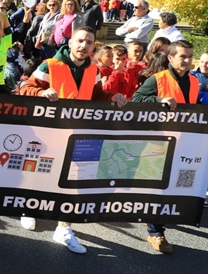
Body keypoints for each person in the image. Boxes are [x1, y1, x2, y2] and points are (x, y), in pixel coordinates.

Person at [20, 27, 127, 254]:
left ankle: (63, 228)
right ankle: (30, 209)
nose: (84, 46)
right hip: (47, 133)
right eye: (80, 41)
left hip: (78, 134)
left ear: (92, 48)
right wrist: (40, 93)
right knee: (41, 173)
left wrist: (112, 97)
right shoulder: (49, 65)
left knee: (73, 182)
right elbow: (25, 88)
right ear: (70, 43)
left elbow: (97, 96)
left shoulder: (94, 70)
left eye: (89, 42)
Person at [131, 40, 197, 254]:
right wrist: (159, 99)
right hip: (156, 141)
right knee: (157, 187)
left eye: (190, 56)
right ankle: (156, 232)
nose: (187, 60)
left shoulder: (195, 82)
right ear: (170, 58)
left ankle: (148, 215)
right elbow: (136, 100)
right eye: (183, 56)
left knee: (173, 185)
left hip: (183, 142)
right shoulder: (156, 80)